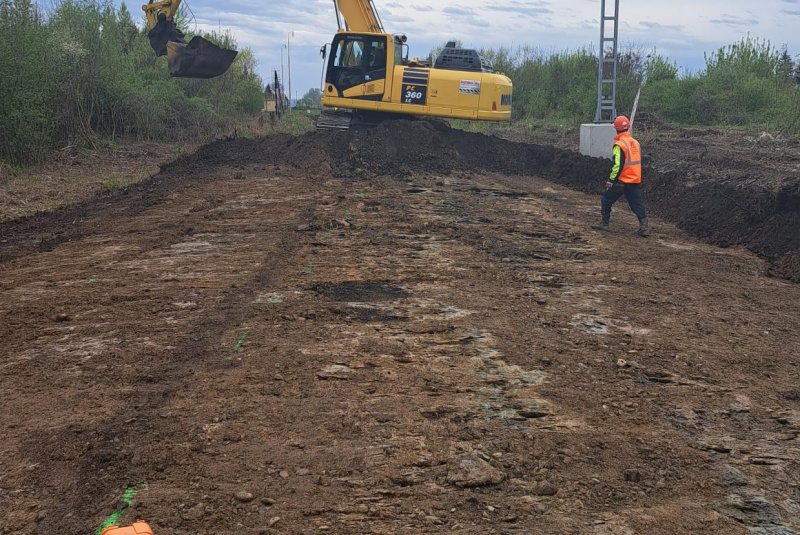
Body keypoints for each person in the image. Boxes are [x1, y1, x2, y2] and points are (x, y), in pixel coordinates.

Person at [592, 115, 650, 237]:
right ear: (628, 127)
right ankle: (644, 227)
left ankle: (604, 223)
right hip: (634, 180)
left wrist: (611, 180)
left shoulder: (619, 145)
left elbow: (617, 165)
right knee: (636, 203)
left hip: (622, 180)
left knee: (606, 200)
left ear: (616, 128)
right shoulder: (636, 143)